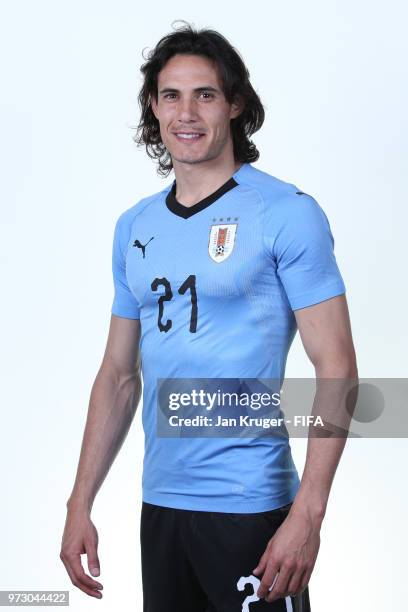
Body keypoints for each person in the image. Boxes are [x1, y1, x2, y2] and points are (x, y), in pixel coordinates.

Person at [60, 21, 358, 612]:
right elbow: (118, 375)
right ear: (154, 107)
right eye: (171, 95)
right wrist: (79, 503)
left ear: (235, 105)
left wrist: (309, 514)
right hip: (163, 507)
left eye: (206, 94)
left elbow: (339, 369)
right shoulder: (135, 227)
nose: (187, 112)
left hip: (253, 512)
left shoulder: (286, 213)